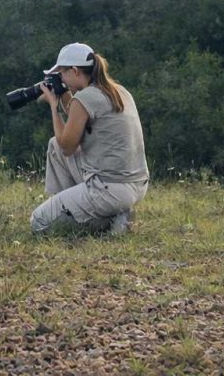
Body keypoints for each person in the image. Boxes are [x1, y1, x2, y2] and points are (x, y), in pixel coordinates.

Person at [30, 42, 149, 235]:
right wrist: (64, 95)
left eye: (62, 74)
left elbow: (68, 146)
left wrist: (53, 106)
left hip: (108, 190)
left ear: (75, 71)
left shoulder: (85, 97)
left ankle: (106, 221)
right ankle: (106, 213)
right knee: (55, 146)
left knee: (39, 222)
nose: (61, 79)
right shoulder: (118, 91)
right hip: (135, 185)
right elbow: (77, 120)